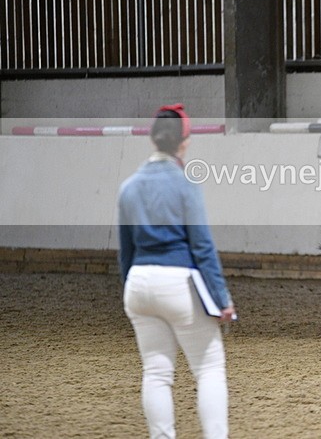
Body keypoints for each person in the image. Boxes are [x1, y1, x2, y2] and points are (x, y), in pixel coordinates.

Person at [118, 103, 235, 439]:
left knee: (156, 373)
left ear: (153, 139)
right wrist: (220, 298)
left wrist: (132, 291)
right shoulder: (185, 184)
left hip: (139, 284)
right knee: (209, 368)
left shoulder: (128, 187)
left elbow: (125, 252)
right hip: (178, 281)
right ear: (183, 142)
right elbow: (202, 247)